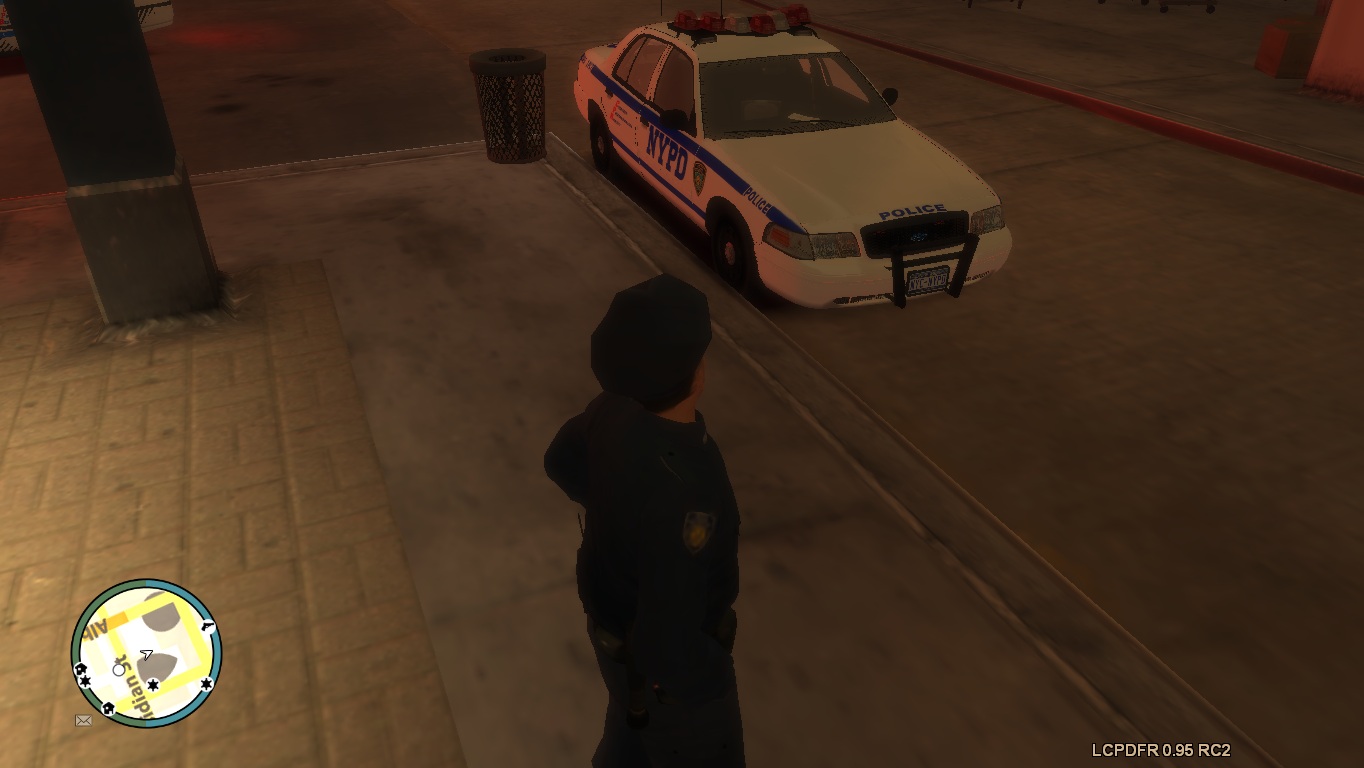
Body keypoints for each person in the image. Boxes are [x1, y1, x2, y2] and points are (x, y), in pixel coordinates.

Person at [545, 274, 745, 767]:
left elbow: (560, 461)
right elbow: (666, 645)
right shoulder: (688, 488)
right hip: (670, 692)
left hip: (611, 641)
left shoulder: (611, 408)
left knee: (626, 747)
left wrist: (615, 511)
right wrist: (713, 674)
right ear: (696, 373)